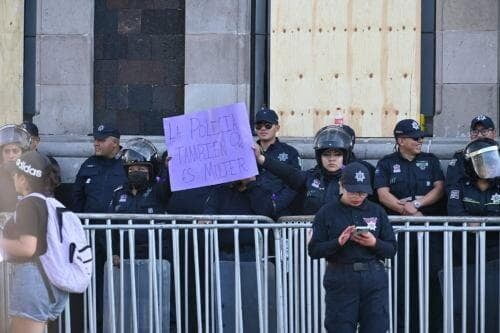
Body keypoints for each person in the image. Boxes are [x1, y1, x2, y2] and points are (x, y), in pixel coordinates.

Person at [374, 119, 445, 332]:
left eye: (421, 137)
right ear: (400, 140)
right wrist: (406, 210)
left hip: (428, 231)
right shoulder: (386, 163)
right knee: (400, 282)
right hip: (400, 233)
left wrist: (416, 204)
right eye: (415, 137)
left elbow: (439, 188)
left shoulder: (430, 161)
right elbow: (382, 194)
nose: (420, 140)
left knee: (432, 282)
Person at [308, 161, 397, 332]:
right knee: (340, 327)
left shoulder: (377, 211)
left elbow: (391, 248)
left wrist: (374, 243)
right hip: (341, 274)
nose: (358, 197)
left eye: (362, 193)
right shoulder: (327, 212)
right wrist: (338, 242)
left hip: (373, 275)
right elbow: (314, 250)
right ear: (341, 185)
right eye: (353, 192)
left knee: (376, 326)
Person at [0, 151, 68, 333]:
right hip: (49, 279)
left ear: (23, 179)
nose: (13, 178)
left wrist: (2, 244)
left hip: (33, 279)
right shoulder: (47, 201)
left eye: (15, 174)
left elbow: (28, 247)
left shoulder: (28, 204)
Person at [71, 123, 126, 332]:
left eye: (101, 140)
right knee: (92, 288)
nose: (96, 143)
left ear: (115, 143)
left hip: (119, 237)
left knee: (118, 289)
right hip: (91, 236)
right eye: (95, 139)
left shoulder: (128, 163)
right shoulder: (88, 165)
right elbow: (77, 198)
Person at [447, 138, 499, 332]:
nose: (491, 164)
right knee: (467, 304)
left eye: (493, 159)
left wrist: (479, 223)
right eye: (485, 160)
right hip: (465, 252)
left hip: (496, 253)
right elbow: (454, 213)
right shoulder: (460, 186)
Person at [254, 125, 353, 215]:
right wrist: (261, 159)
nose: (332, 159)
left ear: (344, 157)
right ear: (319, 157)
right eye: (326, 154)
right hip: (312, 233)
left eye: (337, 155)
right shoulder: (309, 177)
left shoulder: (352, 179)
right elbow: (288, 172)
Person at [109, 138, 172, 259]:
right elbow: (110, 227)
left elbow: (168, 184)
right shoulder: (118, 193)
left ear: (150, 171)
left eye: (141, 169)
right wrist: (114, 252)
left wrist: (169, 169)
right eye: (132, 169)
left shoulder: (158, 190)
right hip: (126, 257)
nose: (136, 172)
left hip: (156, 256)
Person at [254, 107, 300, 217]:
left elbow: (295, 182)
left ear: (277, 127)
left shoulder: (290, 152)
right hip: (252, 209)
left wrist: (276, 204)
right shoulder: (247, 152)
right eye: (259, 126)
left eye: (268, 125)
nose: (263, 129)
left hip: (280, 212)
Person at [446, 115, 496, 192]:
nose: (479, 135)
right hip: (468, 200)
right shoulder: (461, 156)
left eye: (484, 131)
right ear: (470, 134)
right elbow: (452, 185)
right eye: (475, 132)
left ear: (493, 133)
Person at [0, 124, 31, 212]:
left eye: (15, 151)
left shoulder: (31, 174)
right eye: (7, 151)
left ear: (23, 153)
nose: (11, 156)